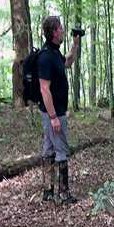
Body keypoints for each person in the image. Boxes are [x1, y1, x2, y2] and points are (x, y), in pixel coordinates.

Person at [38, 16, 80, 204]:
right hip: (53, 113)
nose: (63, 30)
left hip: (53, 113)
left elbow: (68, 62)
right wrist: (54, 117)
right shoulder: (46, 56)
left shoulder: (55, 53)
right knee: (61, 148)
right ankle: (63, 194)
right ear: (54, 32)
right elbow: (44, 88)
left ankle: (48, 191)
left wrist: (75, 43)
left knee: (48, 148)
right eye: (61, 28)